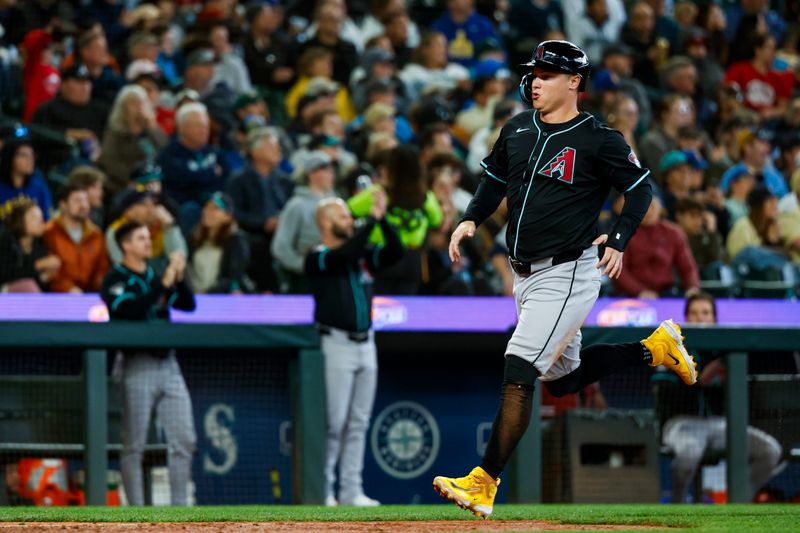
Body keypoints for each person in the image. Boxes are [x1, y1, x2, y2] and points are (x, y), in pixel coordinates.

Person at [432, 41, 697, 519]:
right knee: (565, 379)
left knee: (519, 366)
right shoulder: (515, 128)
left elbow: (639, 191)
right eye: (534, 73)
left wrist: (617, 238)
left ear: (574, 82)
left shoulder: (599, 138)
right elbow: (493, 180)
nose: (535, 80)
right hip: (525, 277)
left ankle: (483, 482)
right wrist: (470, 218)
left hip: (568, 272)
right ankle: (655, 349)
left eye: (547, 74)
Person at [304, 192, 404, 507]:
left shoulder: (360, 255)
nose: (350, 220)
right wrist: (371, 220)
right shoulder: (317, 255)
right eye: (343, 216)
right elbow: (342, 255)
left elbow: (395, 252)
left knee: (359, 421)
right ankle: (323, 490)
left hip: (366, 343)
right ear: (325, 222)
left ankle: (351, 490)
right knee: (334, 422)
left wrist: (383, 219)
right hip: (335, 343)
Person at [100, 221, 196, 506]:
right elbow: (127, 309)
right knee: (134, 444)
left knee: (185, 439)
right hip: (136, 362)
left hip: (168, 363)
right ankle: (138, 512)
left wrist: (178, 278)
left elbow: (188, 305)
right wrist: (163, 284)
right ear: (125, 245)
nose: (147, 242)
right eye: (140, 238)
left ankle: (180, 511)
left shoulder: (155, 274)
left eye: (147, 237)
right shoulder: (115, 277)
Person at [656, 292, 782, 503]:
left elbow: (746, 395)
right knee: (688, 456)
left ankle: (738, 502)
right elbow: (665, 394)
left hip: (720, 425)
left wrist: (724, 381)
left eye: (706, 313)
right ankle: (677, 505)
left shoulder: (726, 351)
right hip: (682, 423)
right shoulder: (671, 349)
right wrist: (698, 382)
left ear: (714, 318)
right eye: (694, 314)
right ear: (686, 318)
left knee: (770, 450)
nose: (700, 318)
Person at [226, 128, 294, 293]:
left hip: (283, 233)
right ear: (255, 151)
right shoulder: (238, 180)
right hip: (253, 236)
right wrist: (263, 223)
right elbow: (233, 213)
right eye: (272, 146)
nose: (278, 151)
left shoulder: (285, 181)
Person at [271, 151, 337, 292]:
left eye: (331, 169)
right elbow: (280, 246)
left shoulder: (337, 203)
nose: (331, 174)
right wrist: (304, 265)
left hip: (335, 274)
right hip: (307, 280)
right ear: (311, 173)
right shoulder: (297, 205)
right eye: (325, 169)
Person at [614, 196, 700, 297]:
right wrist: (639, 291)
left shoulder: (674, 233)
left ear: (660, 209)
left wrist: (692, 287)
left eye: (652, 206)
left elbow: (688, 267)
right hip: (631, 294)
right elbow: (617, 269)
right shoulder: (622, 232)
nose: (647, 210)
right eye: (643, 205)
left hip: (667, 292)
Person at [99, 84, 168, 197]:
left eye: (142, 102)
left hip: (157, 181)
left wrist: (153, 129)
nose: (139, 107)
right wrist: (136, 179)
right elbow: (110, 162)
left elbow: (166, 151)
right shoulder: (116, 132)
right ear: (123, 108)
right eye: (133, 103)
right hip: (126, 185)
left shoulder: (151, 129)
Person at [42, 184, 109, 293]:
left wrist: (101, 284)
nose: (83, 205)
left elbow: (102, 269)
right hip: (57, 297)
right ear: (63, 205)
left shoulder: (96, 235)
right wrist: (68, 288)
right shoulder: (49, 232)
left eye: (85, 200)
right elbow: (50, 272)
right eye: (77, 201)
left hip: (89, 297)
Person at [188, 192, 252, 294]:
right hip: (195, 299)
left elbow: (234, 276)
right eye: (207, 207)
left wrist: (208, 294)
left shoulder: (236, 241)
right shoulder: (193, 239)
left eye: (215, 209)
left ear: (227, 216)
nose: (208, 211)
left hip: (220, 299)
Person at [0, 199, 60, 292]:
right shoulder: (5, 241)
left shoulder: (41, 243)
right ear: (19, 219)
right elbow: (6, 275)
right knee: (28, 286)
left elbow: (37, 281)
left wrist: (45, 276)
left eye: (41, 217)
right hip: (5, 296)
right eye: (34, 218)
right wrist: (37, 266)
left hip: (29, 296)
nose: (41, 222)